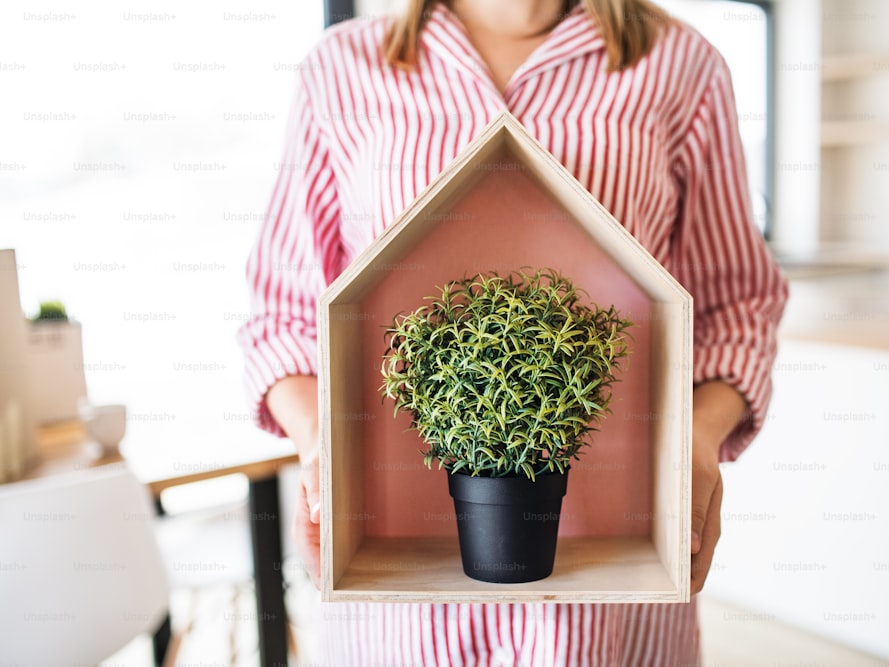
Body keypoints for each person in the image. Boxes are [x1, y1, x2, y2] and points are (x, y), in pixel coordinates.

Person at [238, 0, 788, 663]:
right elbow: (285, 313)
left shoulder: (682, 65)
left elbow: (737, 305)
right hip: (402, 609)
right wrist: (318, 440)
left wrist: (696, 438)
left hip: (612, 596)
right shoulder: (342, 68)